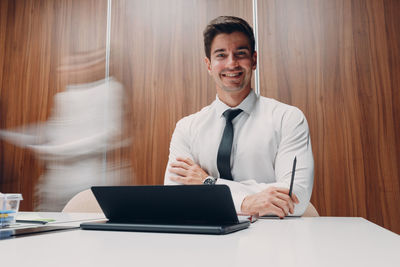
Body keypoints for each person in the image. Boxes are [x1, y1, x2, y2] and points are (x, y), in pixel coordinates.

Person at [164, 16, 314, 218]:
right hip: (204, 241)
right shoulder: (187, 127)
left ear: (253, 60)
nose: (231, 63)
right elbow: (175, 197)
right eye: (221, 55)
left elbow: (296, 196)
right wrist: (247, 202)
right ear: (209, 65)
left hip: (273, 238)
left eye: (240, 54)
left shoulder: (288, 118)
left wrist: (208, 183)